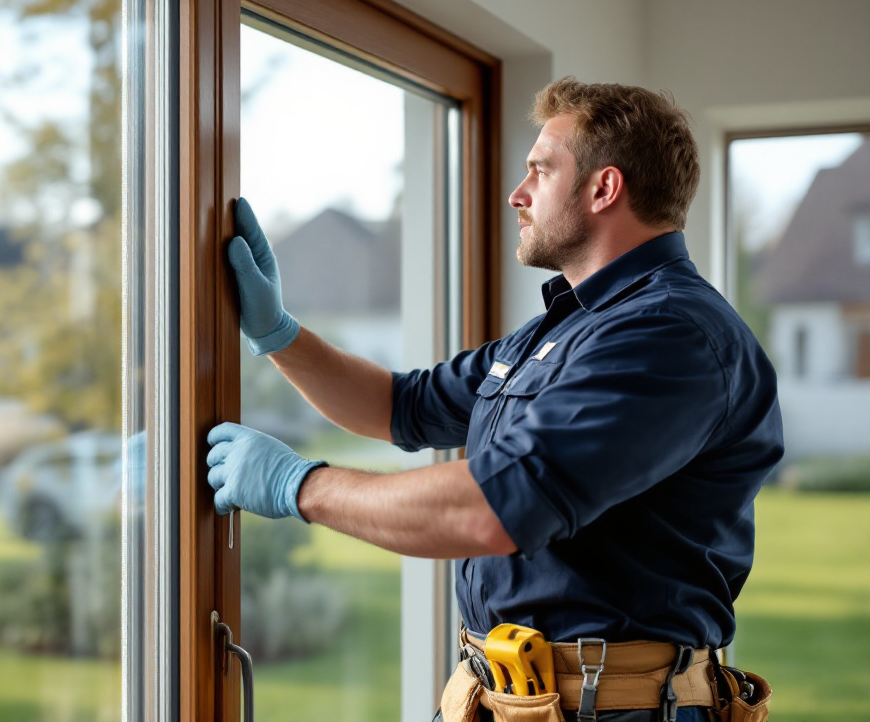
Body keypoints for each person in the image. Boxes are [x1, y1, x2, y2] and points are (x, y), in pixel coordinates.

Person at [205, 78, 783, 722]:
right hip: (505, 697)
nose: (518, 192)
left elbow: (495, 509)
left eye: (540, 169)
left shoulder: (671, 335)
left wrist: (299, 485)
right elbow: (400, 405)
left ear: (603, 188)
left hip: (613, 708)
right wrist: (275, 332)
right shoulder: (564, 329)